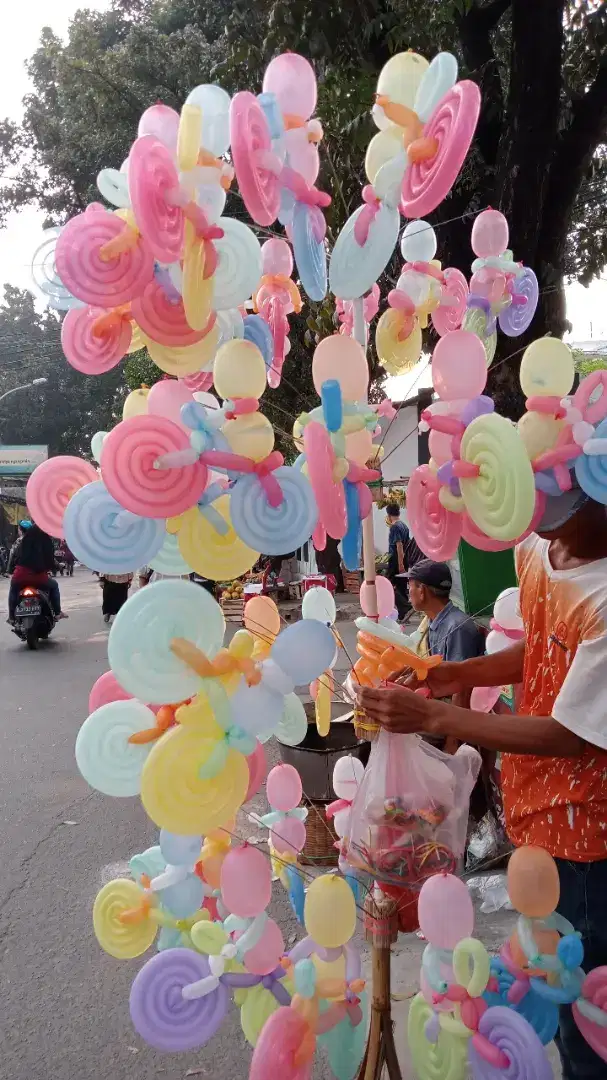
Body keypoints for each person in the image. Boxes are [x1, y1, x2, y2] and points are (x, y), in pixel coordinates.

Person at [358, 487, 607, 1080]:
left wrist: (436, 717)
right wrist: (447, 674)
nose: (546, 529)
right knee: (550, 977)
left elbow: (572, 735)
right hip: (536, 816)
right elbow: (543, 646)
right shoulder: (541, 549)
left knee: (584, 1013)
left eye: (565, 509)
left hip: (587, 834)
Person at [7, 520, 65, 621]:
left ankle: (11, 617)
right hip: (39, 578)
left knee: (14, 588)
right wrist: (57, 567)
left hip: (20, 575)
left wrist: (8, 571)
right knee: (54, 585)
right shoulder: (46, 541)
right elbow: (50, 560)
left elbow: (13, 557)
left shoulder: (21, 541)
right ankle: (57, 613)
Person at [385, 502, 423, 622]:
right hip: (404, 558)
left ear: (388, 515)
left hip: (396, 559)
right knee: (401, 585)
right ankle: (403, 615)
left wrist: (400, 563)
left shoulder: (395, 527)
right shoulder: (404, 526)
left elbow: (399, 545)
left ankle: (406, 607)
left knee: (389, 585)